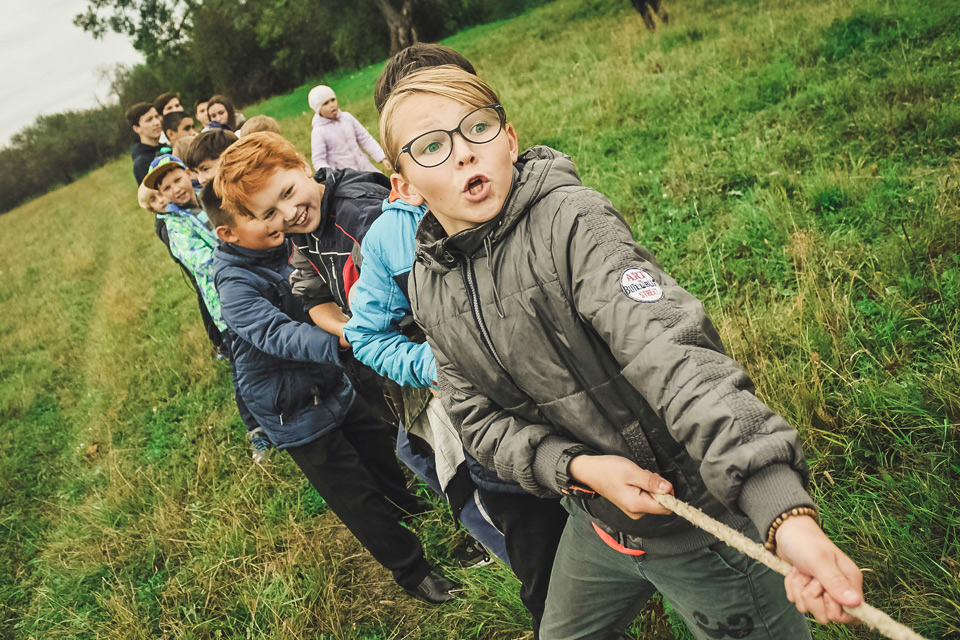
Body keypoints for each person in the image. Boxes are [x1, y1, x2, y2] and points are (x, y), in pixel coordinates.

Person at [382, 65, 866, 640]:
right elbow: (476, 420)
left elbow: (671, 353)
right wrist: (575, 467)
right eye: (432, 146)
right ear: (404, 186)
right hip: (597, 523)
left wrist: (781, 511)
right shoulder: (430, 283)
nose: (463, 154)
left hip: (701, 529)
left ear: (509, 139)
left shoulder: (573, 222)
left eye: (478, 128)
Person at [347, 45, 569, 638]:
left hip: (582, 414)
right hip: (497, 440)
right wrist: (443, 366)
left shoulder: (545, 201)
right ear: (404, 161)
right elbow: (365, 335)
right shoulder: (395, 239)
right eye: (429, 138)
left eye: (470, 117)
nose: (459, 145)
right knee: (545, 576)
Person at [207, 177, 461, 605]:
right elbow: (276, 333)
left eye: (276, 206)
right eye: (260, 215)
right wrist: (350, 339)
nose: (277, 218)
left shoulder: (289, 244)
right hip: (292, 410)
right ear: (228, 233)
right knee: (354, 493)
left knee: (381, 452)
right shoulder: (233, 283)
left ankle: (409, 507)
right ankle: (412, 570)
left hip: (332, 384)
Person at [308, 84, 387, 173]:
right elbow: (318, 160)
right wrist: (333, 175)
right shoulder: (319, 132)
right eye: (325, 103)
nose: (332, 105)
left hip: (366, 168)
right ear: (318, 109)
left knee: (383, 185)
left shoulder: (347, 118)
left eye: (333, 100)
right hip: (347, 178)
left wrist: (382, 157)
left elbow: (365, 138)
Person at [125, 102, 166, 184]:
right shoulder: (142, 163)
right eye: (149, 120)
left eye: (156, 117)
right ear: (137, 128)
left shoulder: (167, 148)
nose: (157, 122)